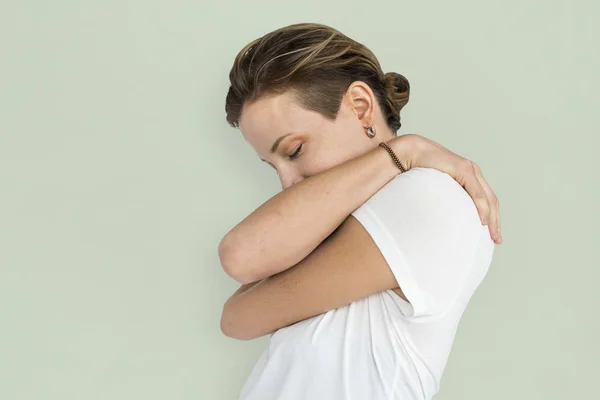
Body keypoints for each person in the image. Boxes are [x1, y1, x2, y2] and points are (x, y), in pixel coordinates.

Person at [219, 23, 500, 400]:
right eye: (274, 168)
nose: (287, 184)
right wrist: (404, 152)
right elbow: (233, 316)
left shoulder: (426, 196)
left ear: (361, 107)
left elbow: (240, 280)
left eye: (295, 151)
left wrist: (404, 151)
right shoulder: (349, 216)